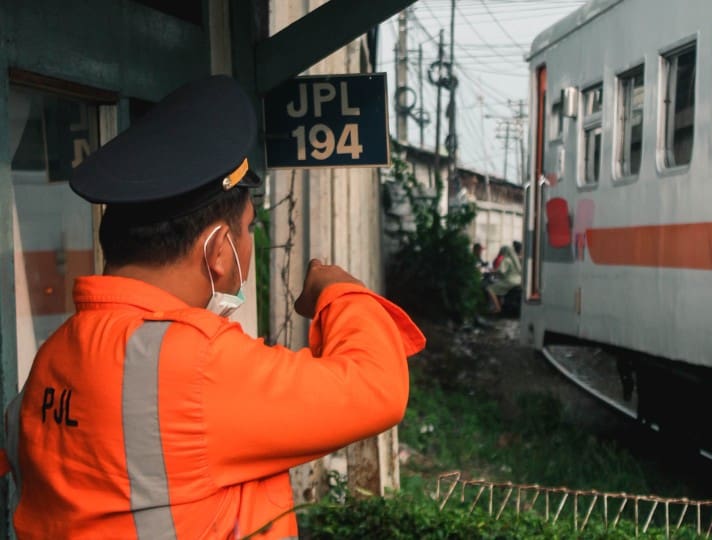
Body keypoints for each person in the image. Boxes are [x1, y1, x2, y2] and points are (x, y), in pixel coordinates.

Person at [0, 75, 425, 539]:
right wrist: (336, 290)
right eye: (247, 227)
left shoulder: (55, 355)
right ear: (218, 249)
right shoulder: (195, 366)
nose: (248, 242)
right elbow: (377, 387)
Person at [486, 244, 522, 314]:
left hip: (510, 281)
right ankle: (501, 305)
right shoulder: (514, 260)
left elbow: (501, 271)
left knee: (490, 289)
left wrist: (492, 271)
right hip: (518, 281)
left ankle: (497, 308)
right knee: (498, 286)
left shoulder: (506, 260)